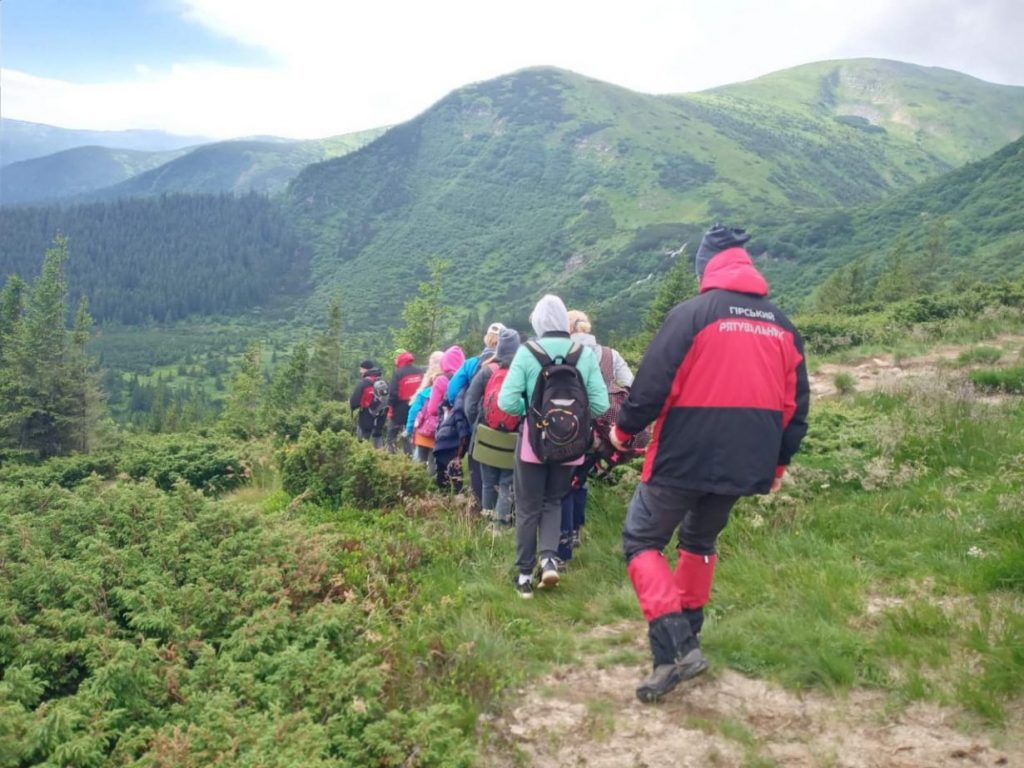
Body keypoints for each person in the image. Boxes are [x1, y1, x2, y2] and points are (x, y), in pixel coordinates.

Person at [610, 224, 809, 702]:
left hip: (684, 453)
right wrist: (778, 465)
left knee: (642, 540)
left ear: (707, 267)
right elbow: (795, 406)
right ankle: (678, 654)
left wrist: (623, 429)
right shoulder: (782, 325)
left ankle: (676, 640)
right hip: (749, 460)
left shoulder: (692, 314)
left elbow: (652, 383)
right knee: (699, 541)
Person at [498, 295, 609, 598]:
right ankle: (549, 560)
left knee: (527, 507)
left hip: (533, 444)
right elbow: (601, 404)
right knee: (553, 502)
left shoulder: (526, 352)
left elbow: (505, 401)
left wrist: (531, 413)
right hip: (571, 444)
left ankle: (523, 576)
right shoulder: (582, 354)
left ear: (537, 321)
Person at [558, 309, 635, 563]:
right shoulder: (611, 354)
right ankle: (578, 529)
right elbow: (631, 385)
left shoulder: (564, 352)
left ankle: (565, 538)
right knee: (582, 479)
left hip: (570, 427)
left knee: (566, 482)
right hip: (603, 430)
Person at [465, 327, 521, 529]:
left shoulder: (486, 371)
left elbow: (469, 404)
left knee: (488, 481)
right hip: (513, 437)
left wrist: (479, 426)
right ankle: (502, 524)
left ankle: (487, 522)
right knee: (506, 482)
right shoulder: (522, 373)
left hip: (486, 434)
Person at [447, 322, 506, 507]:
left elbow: (452, 391)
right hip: (508, 426)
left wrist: (472, 421)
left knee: (478, 469)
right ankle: (505, 513)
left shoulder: (472, 363)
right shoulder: (514, 365)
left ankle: (479, 507)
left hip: (479, 426)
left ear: (486, 339)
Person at [406, 351, 444, 469]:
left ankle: (416, 483)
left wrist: (409, 429)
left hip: (422, 434)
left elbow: (414, 412)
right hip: (439, 434)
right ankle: (432, 485)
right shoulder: (448, 387)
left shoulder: (424, 393)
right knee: (433, 464)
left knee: (418, 463)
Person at [387, 350, 423, 455]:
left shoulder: (398, 372)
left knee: (392, 433)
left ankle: (390, 456)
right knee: (409, 433)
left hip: (399, 409)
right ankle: (409, 456)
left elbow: (393, 392)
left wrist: (390, 406)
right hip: (416, 407)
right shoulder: (419, 371)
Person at [348, 360, 387, 447]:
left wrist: (351, 403)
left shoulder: (364, 383)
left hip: (366, 416)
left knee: (362, 440)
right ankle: (381, 456)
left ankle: (362, 454)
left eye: (361, 369)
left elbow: (353, 402)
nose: (360, 372)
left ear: (365, 370)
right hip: (381, 416)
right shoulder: (382, 381)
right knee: (377, 435)